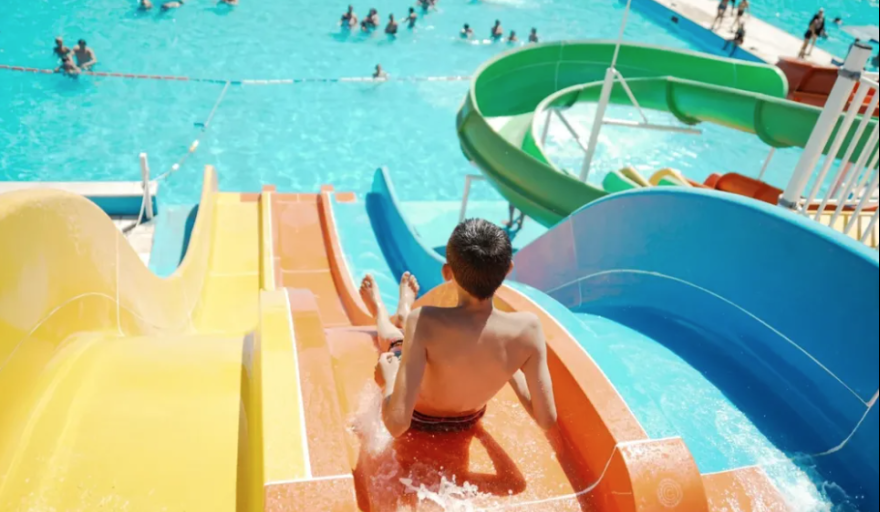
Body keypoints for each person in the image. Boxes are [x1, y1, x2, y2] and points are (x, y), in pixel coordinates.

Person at [362, 219, 558, 437]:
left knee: (395, 343)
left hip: (420, 419)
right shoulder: (528, 329)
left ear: (447, 273)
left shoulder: (424, 321)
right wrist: (508, 365)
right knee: (409, 332)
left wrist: (388, 379)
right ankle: (403, 313)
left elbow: (396, 424)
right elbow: (546, 419)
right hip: (469, 419)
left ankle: (381, 312)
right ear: (508, 270)